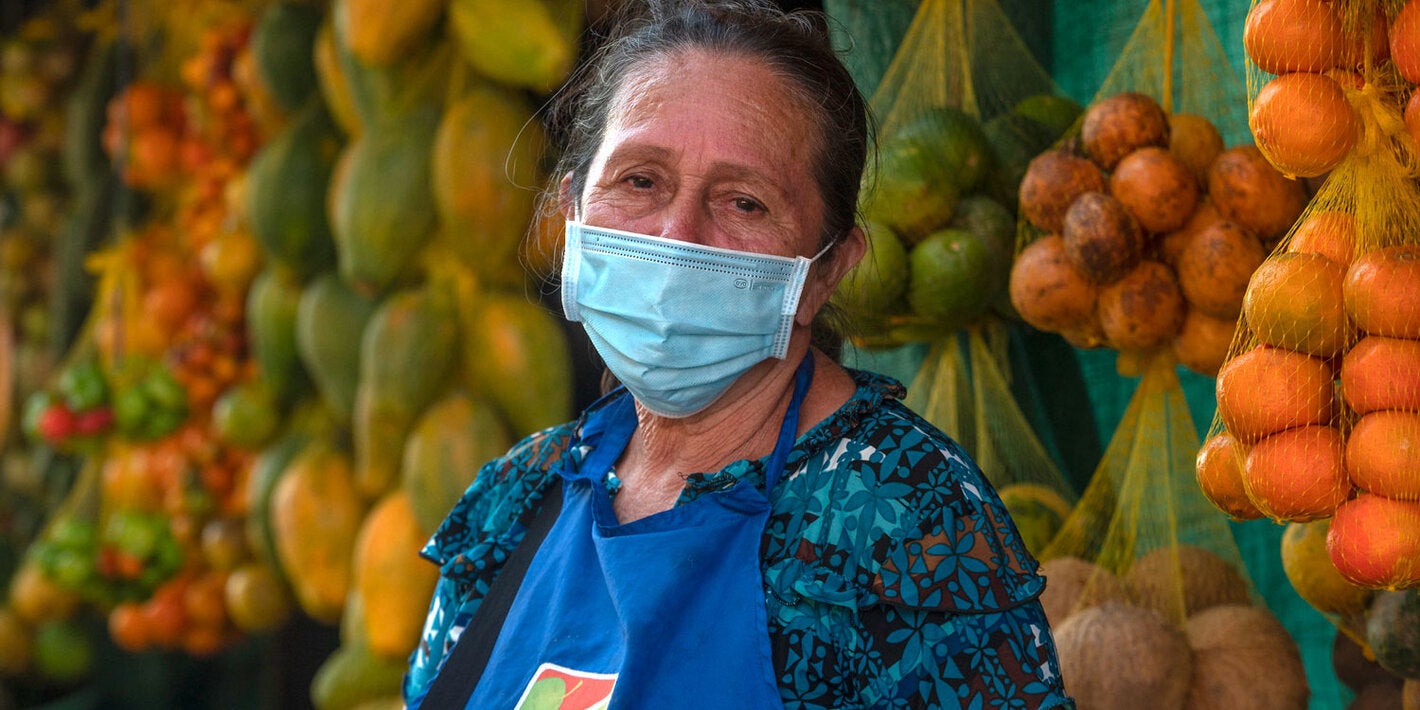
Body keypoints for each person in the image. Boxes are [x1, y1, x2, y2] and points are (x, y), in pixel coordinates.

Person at [404, 1, 1074, 708]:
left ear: (824, 272)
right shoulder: (514, 501)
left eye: (744, 202)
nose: (676, 235)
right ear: (571, 211)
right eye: (640, 180)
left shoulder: (904, 521)